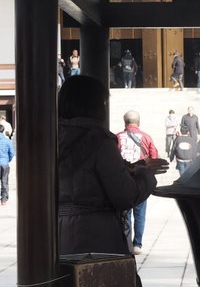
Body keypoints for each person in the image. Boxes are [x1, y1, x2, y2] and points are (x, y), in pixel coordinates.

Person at [58, 76, 167, 256]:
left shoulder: (48, 139)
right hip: (94, 236)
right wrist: (146, 175)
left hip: (54, 234)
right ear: (94, 105)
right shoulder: (98, 141)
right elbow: (125, 195)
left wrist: (136, 166)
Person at [116, 110, 162, 255]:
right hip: (141, 181)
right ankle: (138, 244)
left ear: (125, 122)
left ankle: (126, 241)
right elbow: (154, 157)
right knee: (140, 214)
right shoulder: (146, 137)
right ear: (139, 122)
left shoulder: (117, 138)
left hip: (123, 180)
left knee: (125, 213)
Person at [0, 124, 15, 206]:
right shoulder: (7, 140)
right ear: (3, 131)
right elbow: (12, 153)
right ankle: (3, 200)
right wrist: (7, 160)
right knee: (4, 181)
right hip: (4, 164)